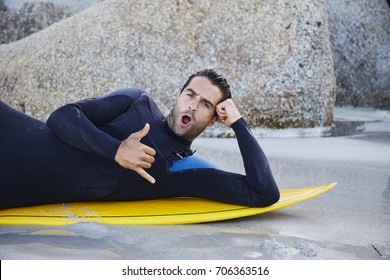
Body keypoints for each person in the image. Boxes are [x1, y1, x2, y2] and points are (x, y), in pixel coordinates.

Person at [0, 69, 279, 209]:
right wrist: (116, 150)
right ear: (179, 96)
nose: (193, 106)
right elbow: (61, 116)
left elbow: (263, 193)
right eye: (190, 95)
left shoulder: (179, 170)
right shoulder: (137, 103)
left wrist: (239, 124)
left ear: (215, 117)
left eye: (206, 104)